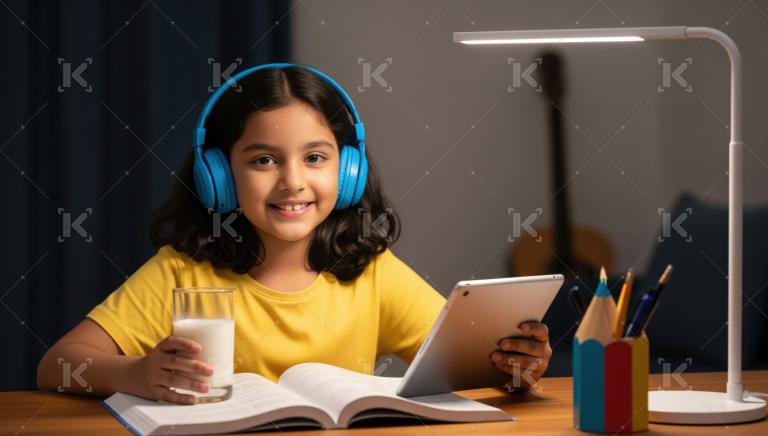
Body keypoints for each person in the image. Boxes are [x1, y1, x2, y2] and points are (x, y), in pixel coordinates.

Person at [37, 64, 552, 404]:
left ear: (347, 170)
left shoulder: (371, 270)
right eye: (263, 159)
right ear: (216, 174)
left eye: (315, 157)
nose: (292, 181)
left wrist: (517, 367)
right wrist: (135, 374)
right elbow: (55, 367)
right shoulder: (182, 272)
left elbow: (466, 366)